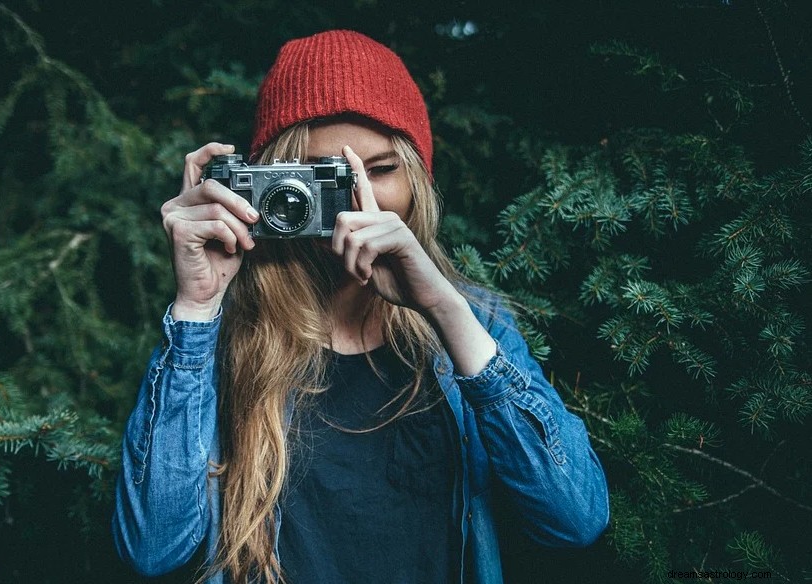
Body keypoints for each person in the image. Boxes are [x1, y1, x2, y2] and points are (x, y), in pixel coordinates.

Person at [112, 29, 609, 583]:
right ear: (269, 185)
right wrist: (195, 310)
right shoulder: (222, 334)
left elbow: (576, 518)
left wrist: (444, 309)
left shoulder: (473, 324)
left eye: (380, 170)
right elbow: (153, 547)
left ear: (418, 179)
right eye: (321, 176)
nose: (356, 201)